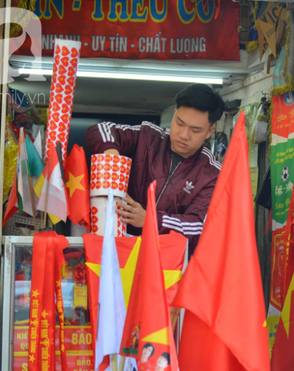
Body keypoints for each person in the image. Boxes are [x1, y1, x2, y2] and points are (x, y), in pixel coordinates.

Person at [86, 84, 225, 254]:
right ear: (174, 115)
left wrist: (151, 220)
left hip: (167, 264)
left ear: (210, 131)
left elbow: (198, 226)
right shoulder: (148, 136)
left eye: (195, 130)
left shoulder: (212, 174)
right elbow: (101, 129)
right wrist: (112, 155)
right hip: (115, 250)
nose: (184, 135)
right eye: (180, 123)